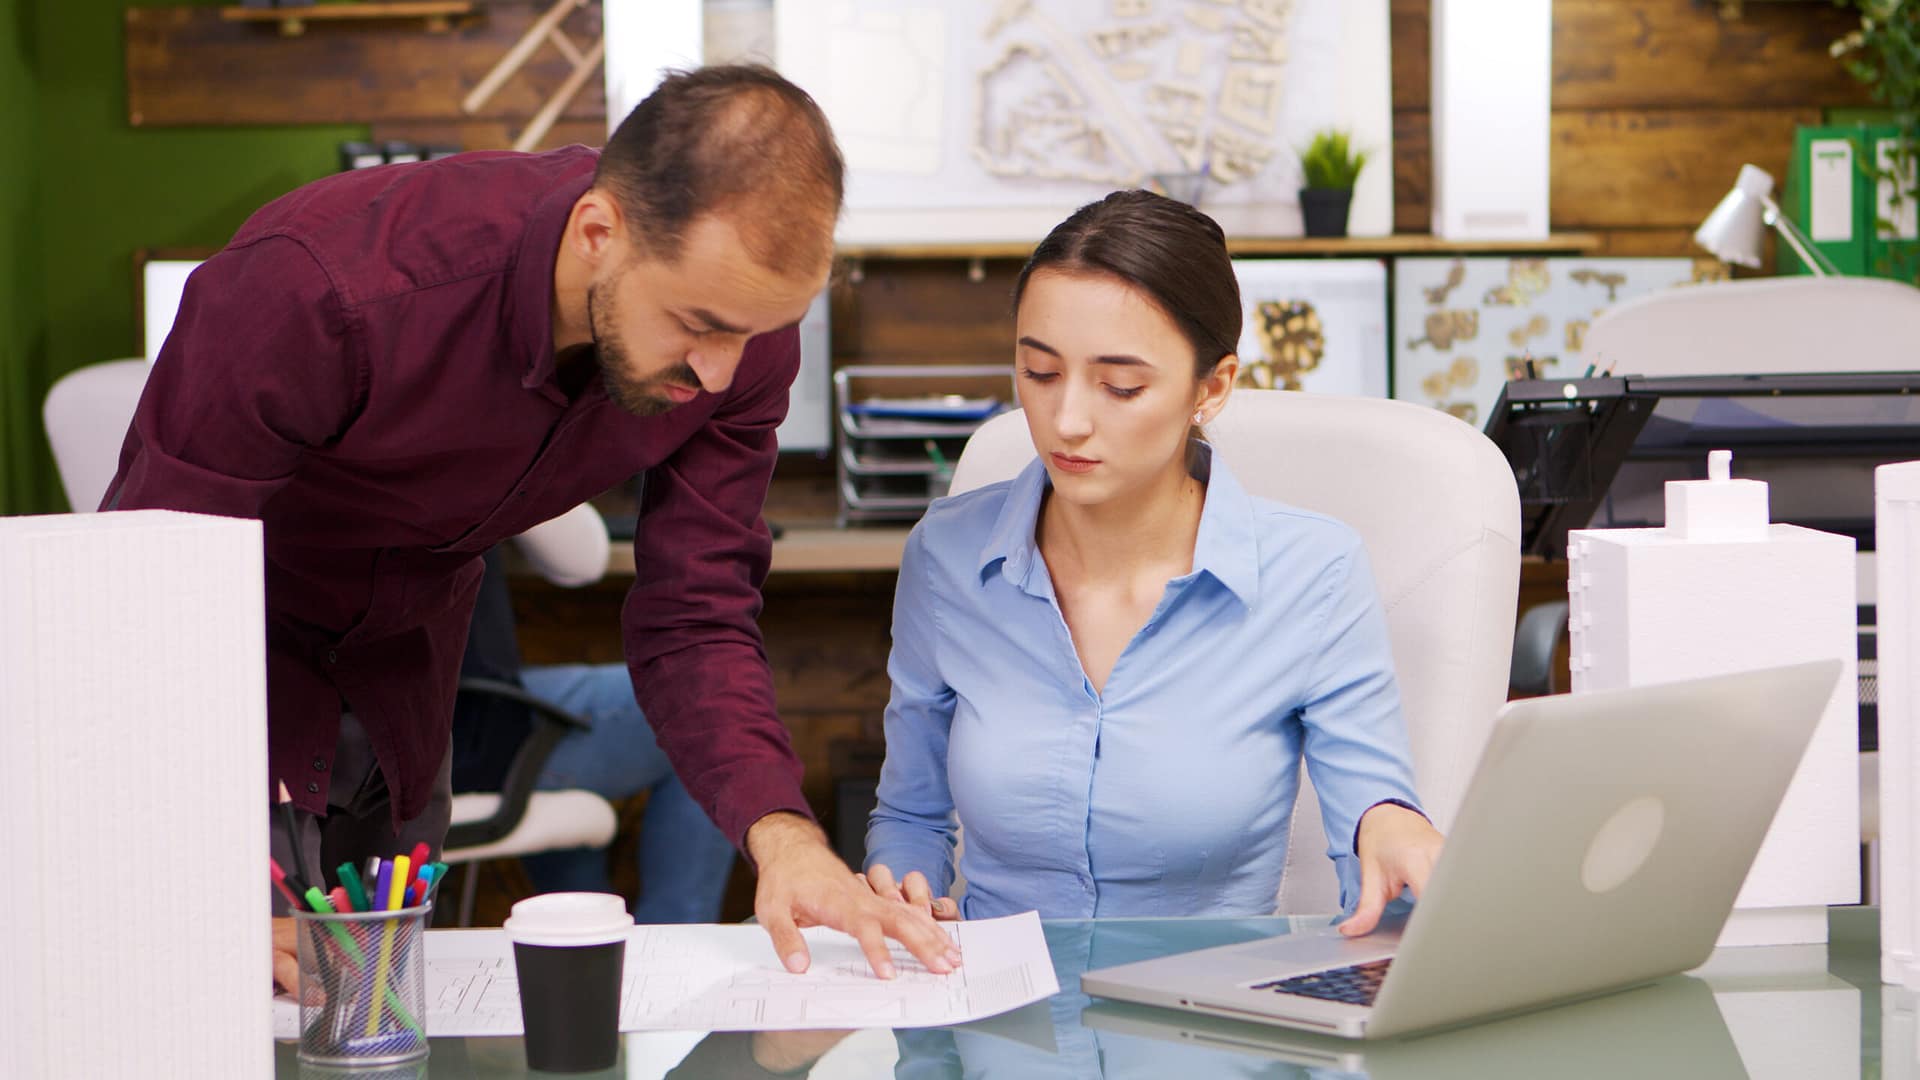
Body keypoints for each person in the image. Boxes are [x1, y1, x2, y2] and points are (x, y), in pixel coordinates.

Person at [103, 63, 956, 993]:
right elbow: (149, 596)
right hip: (219, 704)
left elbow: (696, 612)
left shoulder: (739, 336)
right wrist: (199, 872)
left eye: (753, 334)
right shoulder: (319, 291)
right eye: (697, 325)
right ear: (599, 232)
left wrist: (783, 838)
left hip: (408, 699)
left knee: (378, 1024)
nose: (719, 375)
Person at [862, 190, 1444, 935]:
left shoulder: (1316, 575)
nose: (1066, 420)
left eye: (1121, 386)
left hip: (1210, 1028)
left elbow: (1373, 806)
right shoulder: (947, 558)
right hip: (999, 1024)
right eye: (1039, 373)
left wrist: (1391, 827)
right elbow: (911, 814)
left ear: (1213, 387)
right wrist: (902, 889)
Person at [450, 504, 736, 924]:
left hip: (366, 748)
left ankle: (587, 939)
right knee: (710, 706)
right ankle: (673, 941)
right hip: (458, 735)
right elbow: (582, 559)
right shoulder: (464, 445)